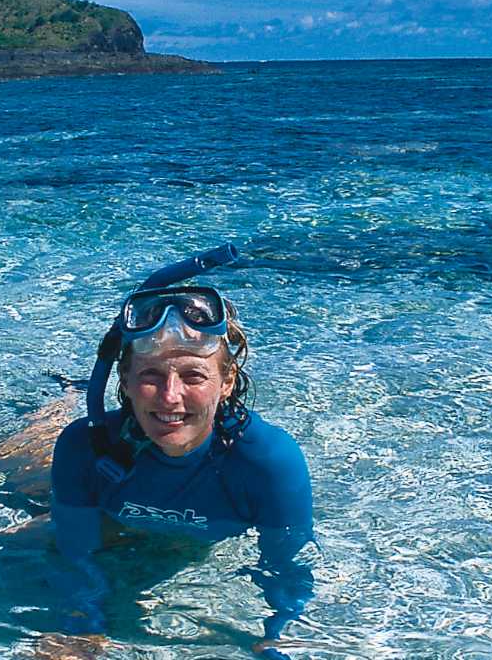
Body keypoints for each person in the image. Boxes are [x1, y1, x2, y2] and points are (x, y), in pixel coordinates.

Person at [47, 252, 315, 656]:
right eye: (150, 376)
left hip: (145, 526)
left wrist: (274, 639)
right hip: (115, 510)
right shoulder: (84, 448)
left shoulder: (268, 462)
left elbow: (287, 570)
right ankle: (57, 402)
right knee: (10, 503)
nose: (170, 397)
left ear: (226, 381)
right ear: (125, 379)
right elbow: (76, 556)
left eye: (193, 376)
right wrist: (83, 625)